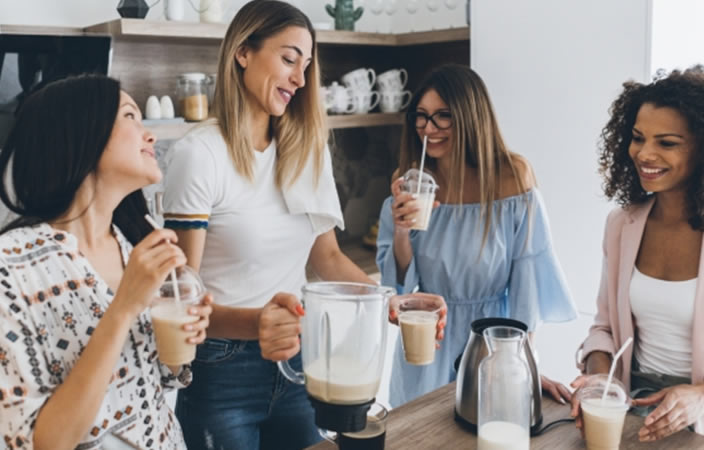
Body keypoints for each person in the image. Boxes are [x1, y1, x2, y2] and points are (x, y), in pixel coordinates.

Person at [161, 2, 443, 449]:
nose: (299, 78)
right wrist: (258, 324)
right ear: (243, 52)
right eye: (289, 58)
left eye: (306, 66)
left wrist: (394, 302)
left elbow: (327, 257)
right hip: (220, 374)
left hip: (297, 363)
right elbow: (179, 301)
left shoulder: (307, 149)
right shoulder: (201, 155)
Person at [0, 74, 212, 449]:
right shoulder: (11, 270)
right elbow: (41, 442)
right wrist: (124, 307)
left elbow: (160, 378)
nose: (151, 136)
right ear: (80, 134)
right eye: (130, 116)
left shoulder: (133, 246)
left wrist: (179, 344)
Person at [376, 64, 578, 407]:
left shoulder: (512, 177)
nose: (429, 128)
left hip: (490, 343)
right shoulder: (412, 179)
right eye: (421, 116)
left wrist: (523, 362)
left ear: (471, 116)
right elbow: (399, 287)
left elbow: (526, 284)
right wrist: (399, 230)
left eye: (443, 116)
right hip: (427, 343)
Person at [571, 66, 704, 447]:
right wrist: (599, 380)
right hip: (629, 419)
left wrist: (703, 396)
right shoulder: (623, 224)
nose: (644, 154)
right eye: (638, 138)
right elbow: (603, 329)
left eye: (667, 143)